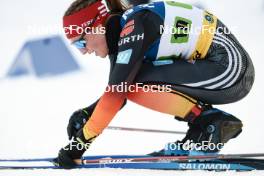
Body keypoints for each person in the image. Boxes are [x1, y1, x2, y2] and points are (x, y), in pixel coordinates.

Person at [54, 0, 255, 168]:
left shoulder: (135, 25)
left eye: (81, 43)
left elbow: (118, 92)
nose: (84, 52)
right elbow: (118, 92)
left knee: (130, 82)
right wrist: (88, 114)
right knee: (131, 82)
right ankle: (208, 125)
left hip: (231, 69)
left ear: (98, 25)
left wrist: (78, 146)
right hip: (216, 65)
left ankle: (210, 123)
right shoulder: (123, 31)